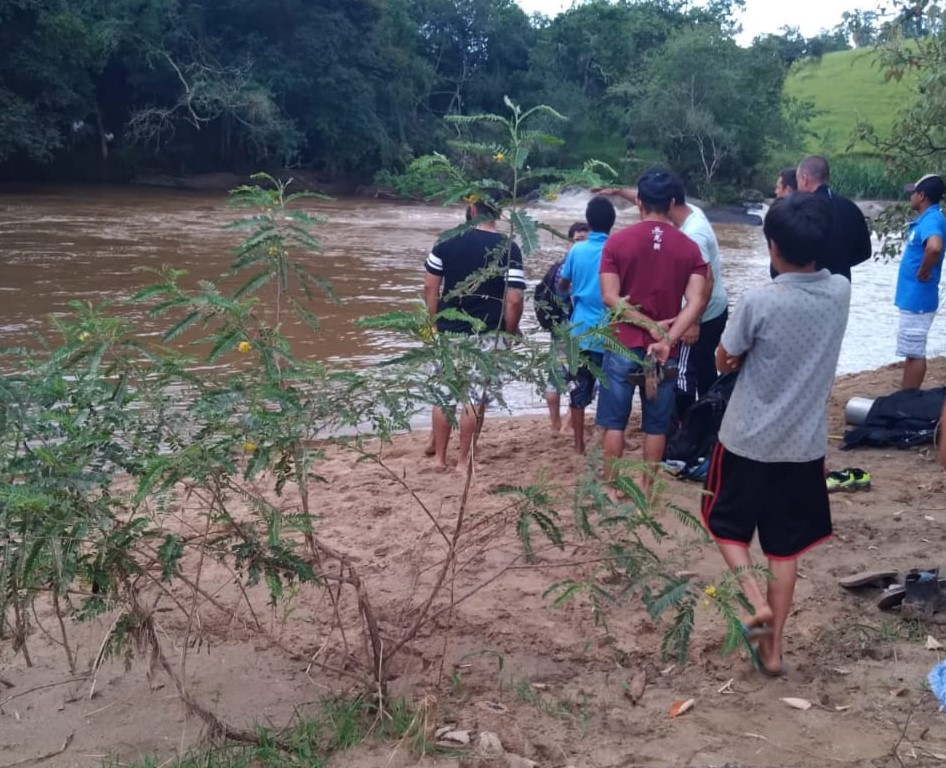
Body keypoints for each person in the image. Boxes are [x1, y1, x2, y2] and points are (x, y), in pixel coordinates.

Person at [702, 193, 851, 677]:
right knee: (783, 550)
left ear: (771, 247)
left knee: (723, 524)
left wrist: (734, 358)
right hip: (803, 446)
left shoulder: (761, 300)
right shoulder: (840, 293)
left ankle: (752, 603)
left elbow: (724, 357)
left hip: (746, 439)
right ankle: (772, 652)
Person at [596, 169, 708, 495]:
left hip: (621, 344)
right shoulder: (688, 248)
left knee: (614, 421)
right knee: (656, 424)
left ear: (639, 202)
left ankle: (612, 487)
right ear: (671, 202)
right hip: (664, 350)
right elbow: (698, 298)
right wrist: (666, 335)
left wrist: (645, 324)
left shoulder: (617, 242)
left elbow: (609, 296)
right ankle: (648, 488)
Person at [423, 199, 525, 468]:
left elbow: (430, 288)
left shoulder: (447, 240)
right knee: (474, 397)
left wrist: (435, 323)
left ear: (473, 210)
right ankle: (463, 462)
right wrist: (511, 333)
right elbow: (514, 299)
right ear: (499, 212)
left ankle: (440, 459)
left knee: (444, 394)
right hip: (488, 332)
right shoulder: (509, 247)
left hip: (449, 330)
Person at [666, 174, 728, 415]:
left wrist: (692, 321)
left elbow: (707, 280)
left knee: (684, 372)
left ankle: (686, 424)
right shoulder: (690, 210)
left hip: (703, 313)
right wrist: (619, 193)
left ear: (670, 203)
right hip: (715, 309)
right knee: (704, 368)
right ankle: (709, 420)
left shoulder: (693, 235)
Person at [557, 197, 615, 453]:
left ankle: (579, 445)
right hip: (610, 331)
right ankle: (605, 440)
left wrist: (572, 288)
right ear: (612, 222)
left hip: (579, 329)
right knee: (610, 389)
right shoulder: (617, 248)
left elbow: (562, 283)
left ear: (589, 222)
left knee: (578, 389)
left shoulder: (576, 250)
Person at [895, 173, 946, 389]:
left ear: (922, 196)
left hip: (919, 296)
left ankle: (908, 397)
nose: (911, 197)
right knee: (911, 350)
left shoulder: (932, 219)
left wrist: (924, 270)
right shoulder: (928, 219)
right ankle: (907, 394)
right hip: (913, 296)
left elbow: (934, 246)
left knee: (914, 351)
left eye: (913, 193)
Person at [794, 155, 872, 280]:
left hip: (806, 284)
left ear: (804, 179)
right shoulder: (850, 208)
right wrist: (841, 264)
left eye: (797, 181)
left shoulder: (800, 209)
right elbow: (865, 252)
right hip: (840, 286)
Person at [544, 222, 589, 431]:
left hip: (559, 328)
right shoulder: (571, 268)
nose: (582, 244)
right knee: (577, 377)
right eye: (579, 240)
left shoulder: (559, 266)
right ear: (569, 242)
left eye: (585, 240)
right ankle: (563, 425)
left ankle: (557, 425)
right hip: (573, 330)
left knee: (557, 376)